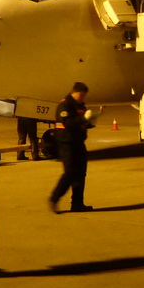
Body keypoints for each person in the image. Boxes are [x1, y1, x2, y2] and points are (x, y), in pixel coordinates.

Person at [48, 82, 95, 212]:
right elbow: (67, 123)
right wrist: (83, 119)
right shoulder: (65, 105)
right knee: (70, 172)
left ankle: (77, 204)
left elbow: (81, 122)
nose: (84, 98)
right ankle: (54, 198)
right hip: (66, 143)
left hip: (79, 143)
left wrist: (90, 122)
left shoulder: (80, 105)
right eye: (83, 95)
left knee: (80, 174)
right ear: (77, 92)